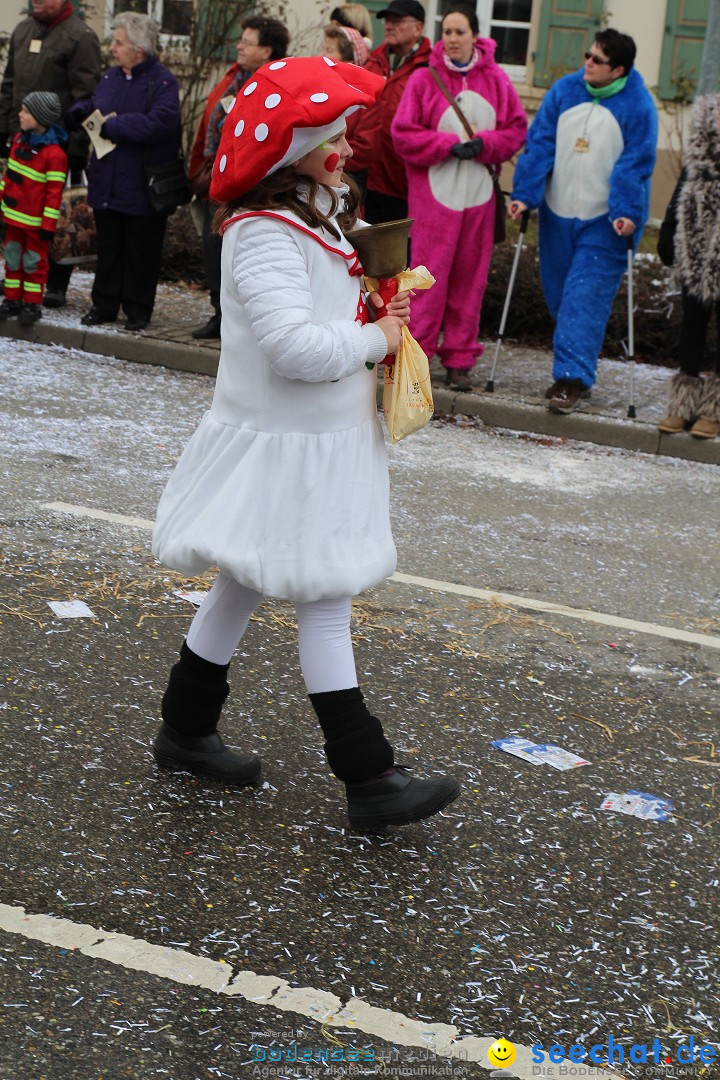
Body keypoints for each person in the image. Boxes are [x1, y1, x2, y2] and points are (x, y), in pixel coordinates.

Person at [151, 55, 461, 831]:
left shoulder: (315, 218)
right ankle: (368, 776)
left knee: (243, 583)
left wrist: (382, 310)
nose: (350, 149)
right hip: (288, 446)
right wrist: (375, 335)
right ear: (292, 152)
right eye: (334, 139)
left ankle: (184, 730)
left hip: (316, 442)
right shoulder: (262, 235)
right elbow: (294, 350)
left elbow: (328, 313)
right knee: (323, 602)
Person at [508, 29, 657, 414]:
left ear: (618, 69)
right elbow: (540, 143)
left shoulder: (638, 105)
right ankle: (578, 362)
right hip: (558, 215)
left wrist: (626, 213)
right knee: (560, 294)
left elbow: (636, 164)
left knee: (583, 297)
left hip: (606, 222)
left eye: (597, 60)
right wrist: (525, 194)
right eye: (588, 55)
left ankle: (570, 380)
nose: (587, 63)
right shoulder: (565, 91)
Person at [392, 7, 527, 390]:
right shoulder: (423, 80)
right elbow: (402, 134)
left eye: (459, 31)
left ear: (474, 36)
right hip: (433, 200)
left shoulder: (497, 81)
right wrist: (447, 145)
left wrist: (485, 144)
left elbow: (517, 130)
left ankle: (459, 357)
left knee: (471, 279)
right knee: (425, 279)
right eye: (446, 31)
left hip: (478, 200)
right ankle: (414, 356)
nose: (452, 38)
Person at [67, 13, 183, 332]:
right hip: (107, 179)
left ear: (139, 49)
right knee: (109, 247)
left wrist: (115, 126)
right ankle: (103, 304)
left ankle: (137, 309)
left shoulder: (162, 81)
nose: (112, 48)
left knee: (140, 250)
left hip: (142, 183)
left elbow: (163, 121)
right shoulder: (111, 77)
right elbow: (99, 105)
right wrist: (82, 111)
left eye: (119, 43)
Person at [189, 16, 290, 340]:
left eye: (247, 41)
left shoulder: (276, 83)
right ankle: (219, 313)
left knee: (244, 251)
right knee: (215, 246)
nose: (239, 46)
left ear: (266, 49)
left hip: (255, 182)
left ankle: (244, 319)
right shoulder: (234, 78)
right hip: (223, 174)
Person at [0, 0, 101, 309]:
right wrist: (5, 129)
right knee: (22, 212)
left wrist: (76, 146)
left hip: (58, 146)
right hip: (22, 142)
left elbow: (86, 96)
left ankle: (56, 282)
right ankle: (17, 277)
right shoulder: (23, 30)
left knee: (57, 216)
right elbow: (9, 85)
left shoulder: (80, 36)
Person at [656, 94, 720, 440]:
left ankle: (714, 410)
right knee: (692, 325)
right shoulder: (703, 135)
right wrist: (669, 228)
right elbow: (683, 185)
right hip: (697, 248)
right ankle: (682, 405)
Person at [345, 0, 431, 223]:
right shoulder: (372, 62)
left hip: (405, 180)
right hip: (367, 178)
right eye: (388, 21)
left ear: (418, 27)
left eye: (397, 21)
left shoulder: (430, 68)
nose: (389, 26)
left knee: (399, 251)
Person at [0, 92, 67, 325]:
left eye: (26, 111)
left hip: (35, 224)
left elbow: (54, 194)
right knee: (12, 258)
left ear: (40, 117)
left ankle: (31, 303)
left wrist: (48, 225)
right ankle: (12, 300)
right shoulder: (19, 141)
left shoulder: (55, 155)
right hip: (13, 220)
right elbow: (8, 179)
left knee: (34, 263)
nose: (20, 114)